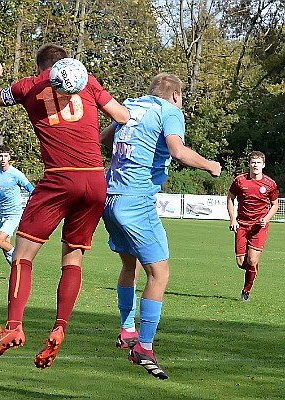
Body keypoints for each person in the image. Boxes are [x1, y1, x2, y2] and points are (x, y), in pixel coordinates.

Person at [0, 43, 130, 369]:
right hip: (94, 181)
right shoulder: (87, 81)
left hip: (60, 179)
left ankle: (14, 326)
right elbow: (122, 116)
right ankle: (59, 327)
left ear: (41, 67)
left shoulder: (30, 85)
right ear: (69, 64)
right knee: (72, 258)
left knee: (22, 256)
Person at [100, 73, 221, 379]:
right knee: (160, 273)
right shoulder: (170, 111)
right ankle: (144, 346)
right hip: (137, 201)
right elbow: (178, 151)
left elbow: (101, 140)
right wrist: (210, 165)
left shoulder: (131, 106)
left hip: (109, 196)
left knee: (131, 266)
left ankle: (127, 330)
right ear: (176, 96)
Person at [227, 150, 278, 302]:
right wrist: (232, 219)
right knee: (241, 263)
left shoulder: (270, 184)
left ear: (263, 165)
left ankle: (246, 291)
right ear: (249, 164)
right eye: (253, 162)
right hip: (241, 225)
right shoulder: (240, 180)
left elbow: (274, 205)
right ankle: (252, 265)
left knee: (252, 260)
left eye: (258, 163)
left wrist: (266, 218)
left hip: (258, 227)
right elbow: (230, 198)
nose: (255, 165)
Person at [0, 144, 34, 266]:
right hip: (2, 213)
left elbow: (31, 189)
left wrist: (32, 203)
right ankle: (16, 272)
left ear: (9, 157)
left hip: (14, 214)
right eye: (1, 156)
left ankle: (22, 260)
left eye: (5, 156)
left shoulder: (16, 174)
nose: (3, 158)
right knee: (5, 248)